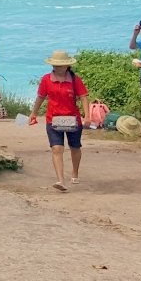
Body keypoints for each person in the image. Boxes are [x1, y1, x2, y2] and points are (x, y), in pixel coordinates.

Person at [28, 50, 89, 192]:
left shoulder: (75, 80)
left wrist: (87, 116)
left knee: (75, 147)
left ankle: (75, 172)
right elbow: (41, 97)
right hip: (53, 119)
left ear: (67, 66)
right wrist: (33, 113)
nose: (57, 68)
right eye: (55, 65)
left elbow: (84, 97)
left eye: (60, 65)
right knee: (57, 149)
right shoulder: (46, 80)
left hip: (72, 119)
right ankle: (60, 180)